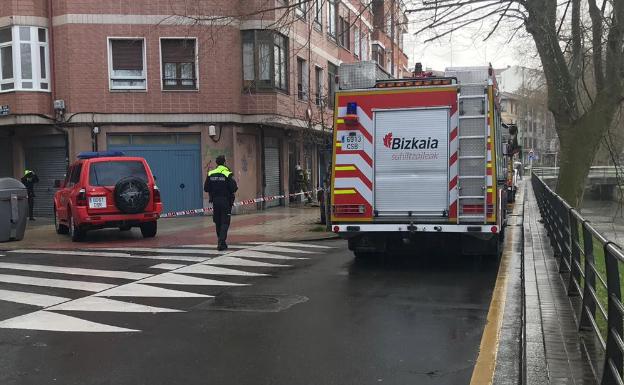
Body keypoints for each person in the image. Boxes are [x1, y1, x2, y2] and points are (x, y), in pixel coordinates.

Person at [204, 155, 238, 251]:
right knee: (225, 222)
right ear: (224, 162)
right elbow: (234, 188)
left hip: (215, 201)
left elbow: (206, 188)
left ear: (216, 163)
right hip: (225, 201)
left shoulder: (211, 173)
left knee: (218, 221)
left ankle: (221, 242)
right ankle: (221, 241)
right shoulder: (227, 173)